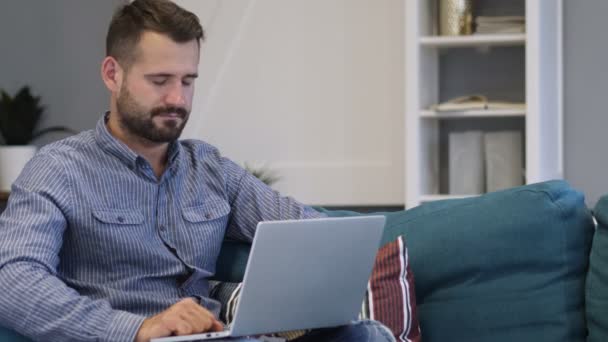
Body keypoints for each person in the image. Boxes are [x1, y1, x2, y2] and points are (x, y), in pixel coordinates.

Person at [0, 1, 395, 341]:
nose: (177, 98)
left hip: (220, 334)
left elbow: (312, 234)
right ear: (112, 73)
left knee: (367, 335)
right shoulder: (57, 169)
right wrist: (135, 329)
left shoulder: (209, 168)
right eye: (160, 81)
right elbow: (12, 281)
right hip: (130, 336)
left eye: (188, 81)